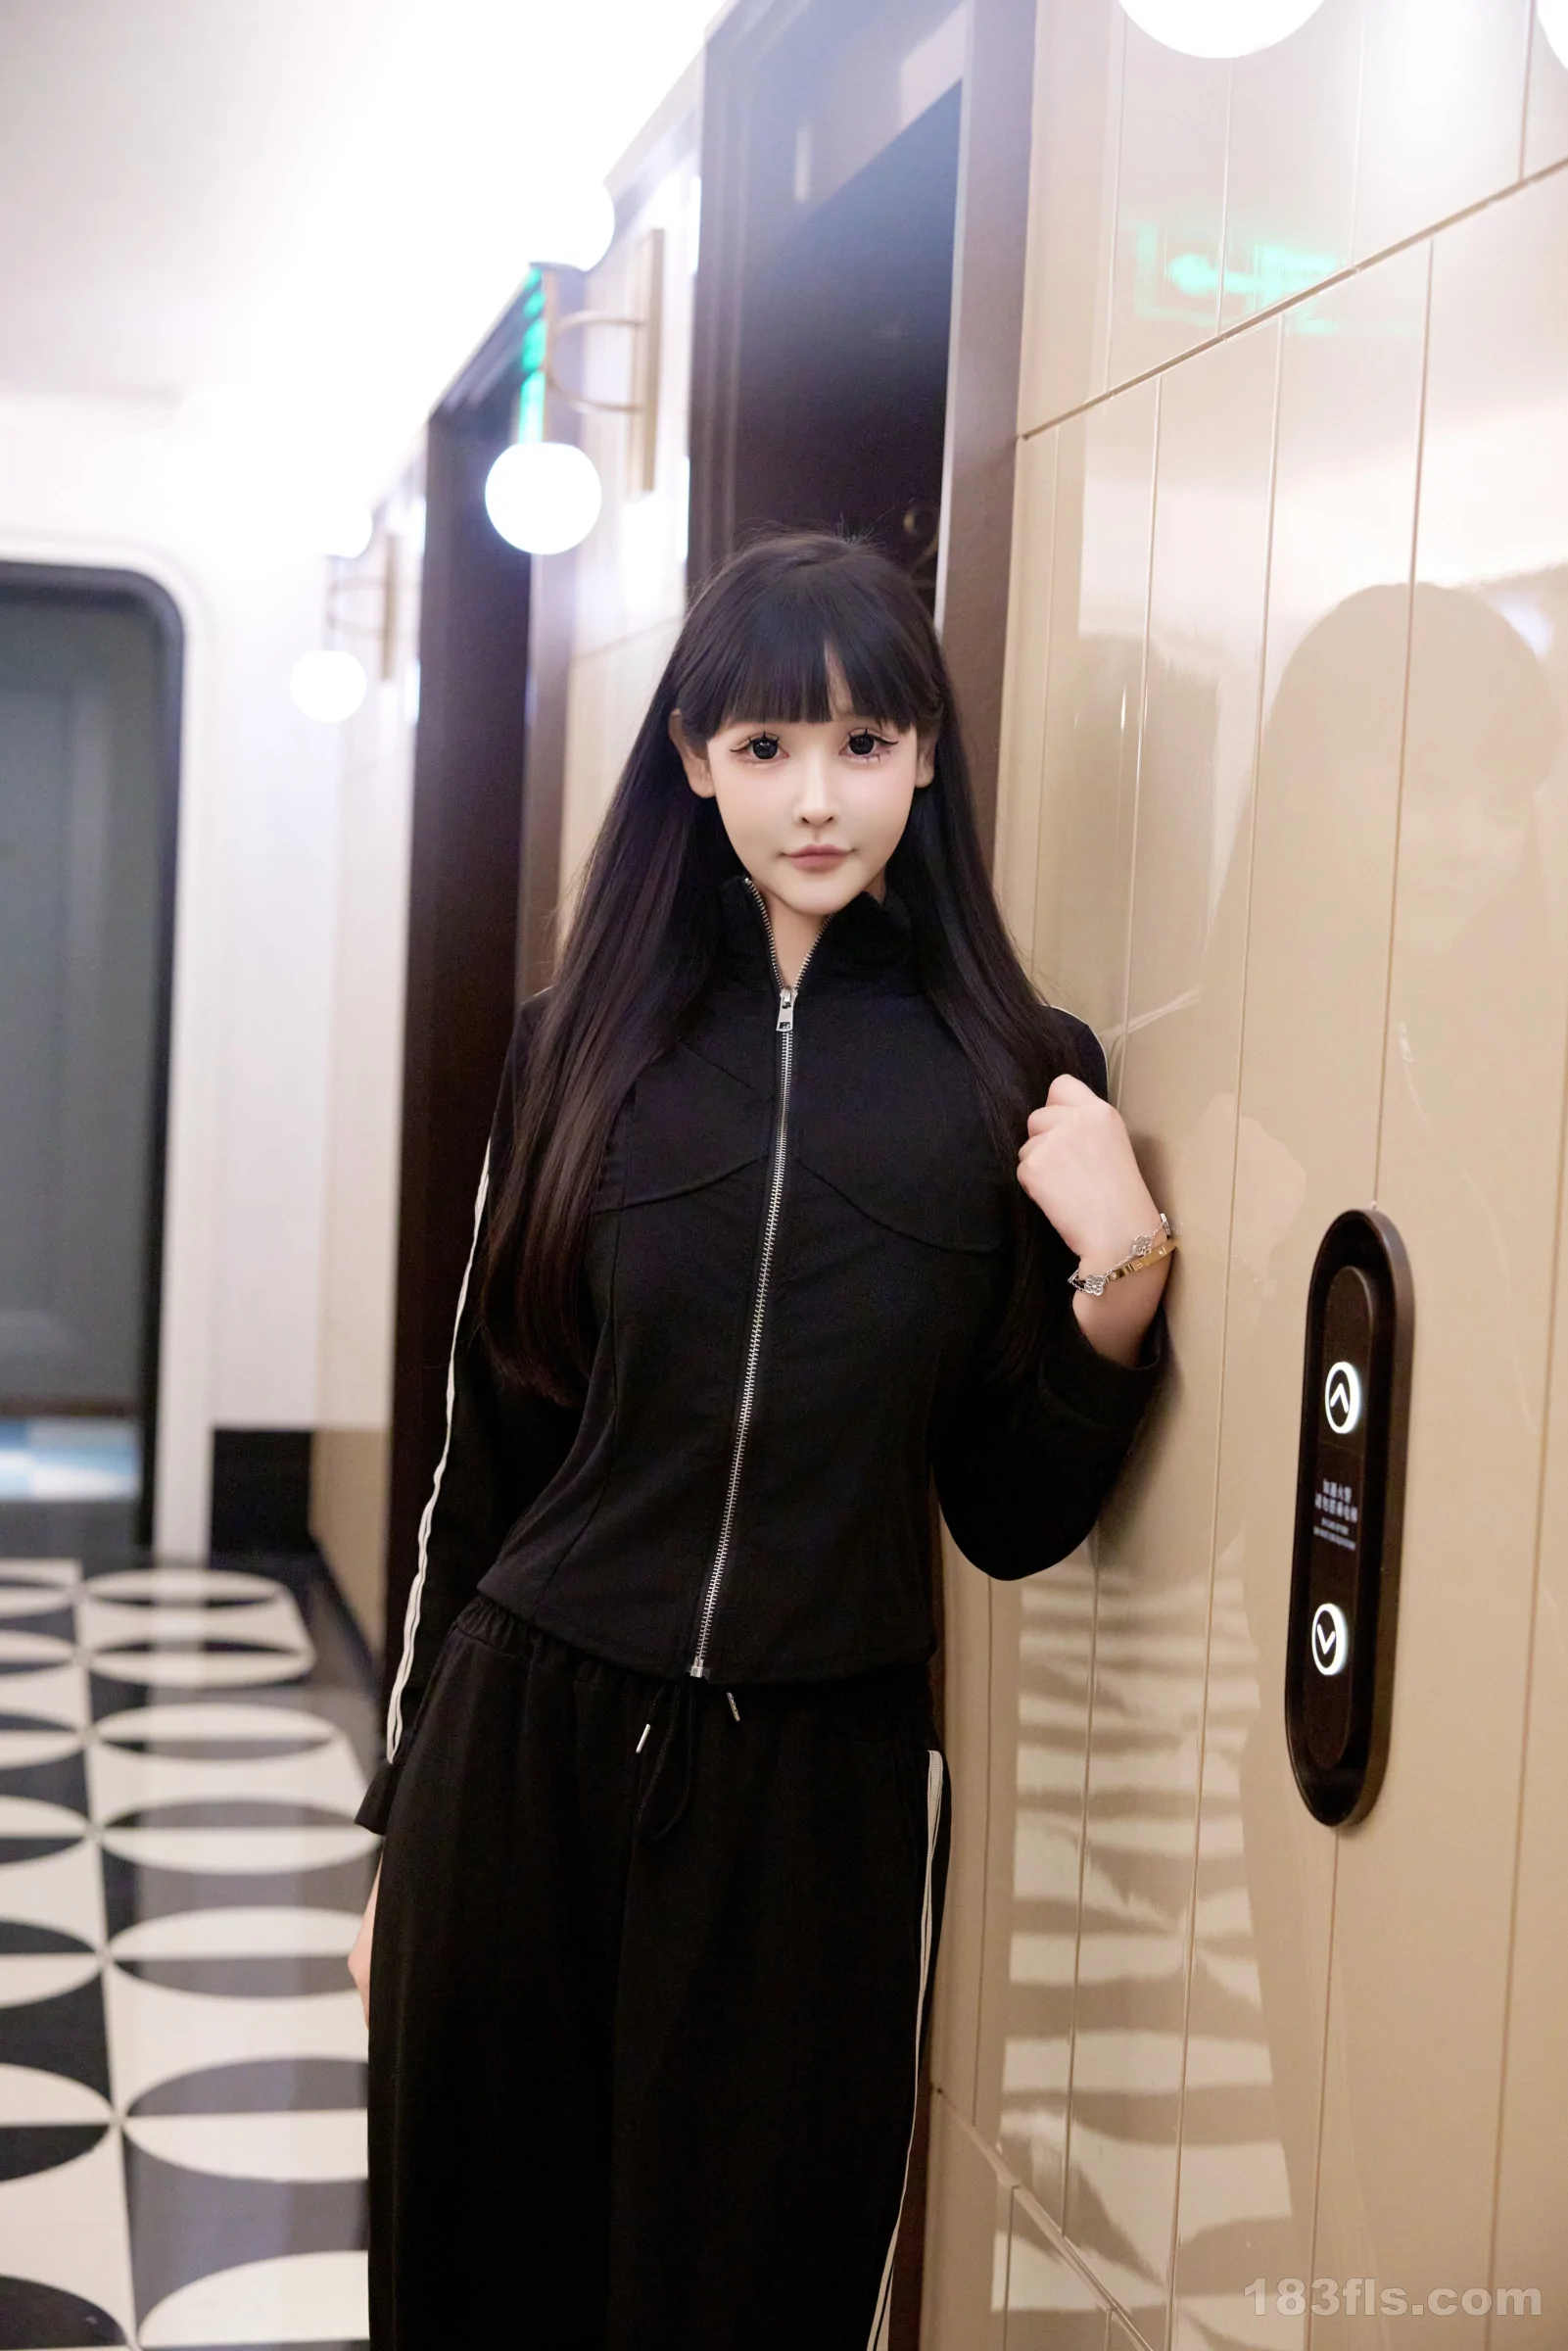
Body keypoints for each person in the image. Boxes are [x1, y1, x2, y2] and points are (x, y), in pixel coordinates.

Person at [347, 532, 1170, 2350]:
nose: (817, 798)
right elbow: (486, 1469)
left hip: (819, 1794)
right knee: (476, 2296)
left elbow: (1010, 1512)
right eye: (767, 746)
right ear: (694, 758)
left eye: (864, 744)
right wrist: (401, 1829)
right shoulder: (576, 1050)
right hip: (523, 1754)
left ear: (929, 758)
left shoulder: (1018, 1073)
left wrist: (1119, 1278)